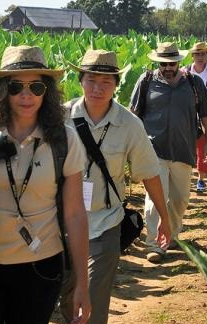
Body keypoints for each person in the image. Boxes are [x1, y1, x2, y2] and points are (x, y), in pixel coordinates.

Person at [0, 45, 92, 324]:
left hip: (39, 266)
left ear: (46, 91)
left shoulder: (64, 139)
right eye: (16, 87)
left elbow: (75, 214)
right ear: (3, 89)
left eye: (36, 87)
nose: (26, 95)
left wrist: (82, 284)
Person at [60, 49, 173, 324]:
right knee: (67, 296)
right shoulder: (60, 117)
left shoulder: (129, 124)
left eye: (106, 82)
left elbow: (150, 174)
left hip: (105, 221)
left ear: (116, 85)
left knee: (95, 299)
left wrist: (164, 218)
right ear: (80, 81)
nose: (98, 88)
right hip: (61, 224)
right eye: (91, 80)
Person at [129, 42, 207, 263]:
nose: (168, 68)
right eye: (163, 64)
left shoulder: (193, 83)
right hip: (152, 151)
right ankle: (154, 243)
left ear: (179, 62)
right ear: (158, 63)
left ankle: (172, 234)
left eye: (172, 63)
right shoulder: (147, 81)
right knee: (155, 198)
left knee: (179, 199)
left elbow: (206, 113)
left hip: (183, 150)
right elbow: (133, 115)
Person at [185, 42, 207, 192]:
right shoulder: (184, 72)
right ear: (192, 56)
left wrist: (198, 97)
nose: (200, 57)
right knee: (187, 146)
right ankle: (186, 178)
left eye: (203, 54)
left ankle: (201, 179)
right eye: (197, 54)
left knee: (206, 146)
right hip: (189, 116)